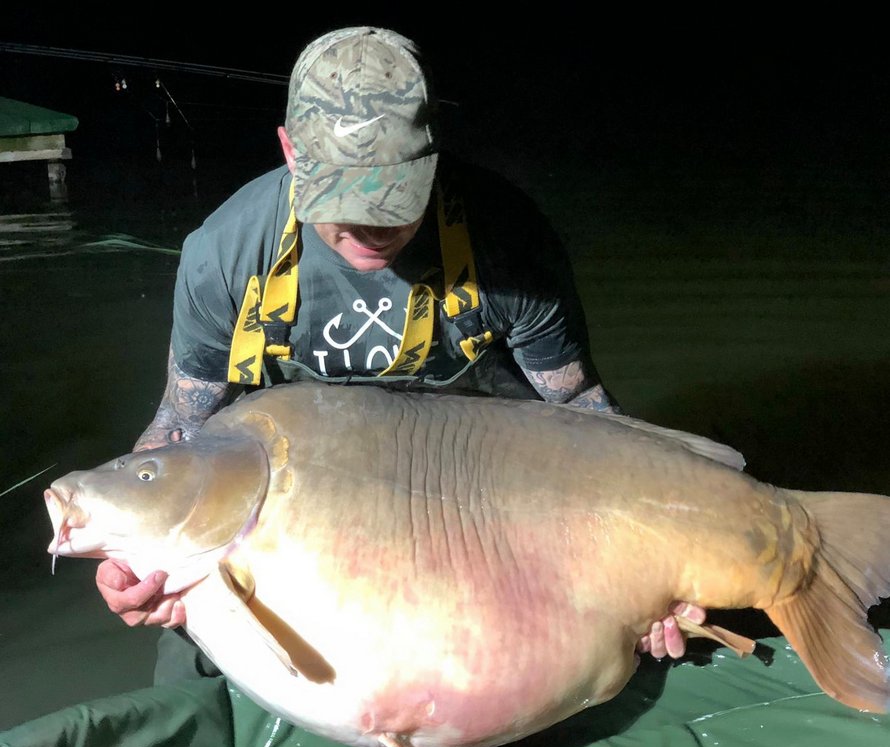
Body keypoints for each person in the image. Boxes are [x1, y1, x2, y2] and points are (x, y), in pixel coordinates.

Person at [95, 26, 705, 681]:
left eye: (394, 195)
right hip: (303, 515)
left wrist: (658, 557)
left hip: (485, 504)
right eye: (344, 197)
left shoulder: (508, 243)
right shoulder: (226, 256)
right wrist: (134, 553)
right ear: (290, 151)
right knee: (186, 664)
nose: (370, 226)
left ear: (434, 155)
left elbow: (586, 417)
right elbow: (180, 430)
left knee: (628, 651)